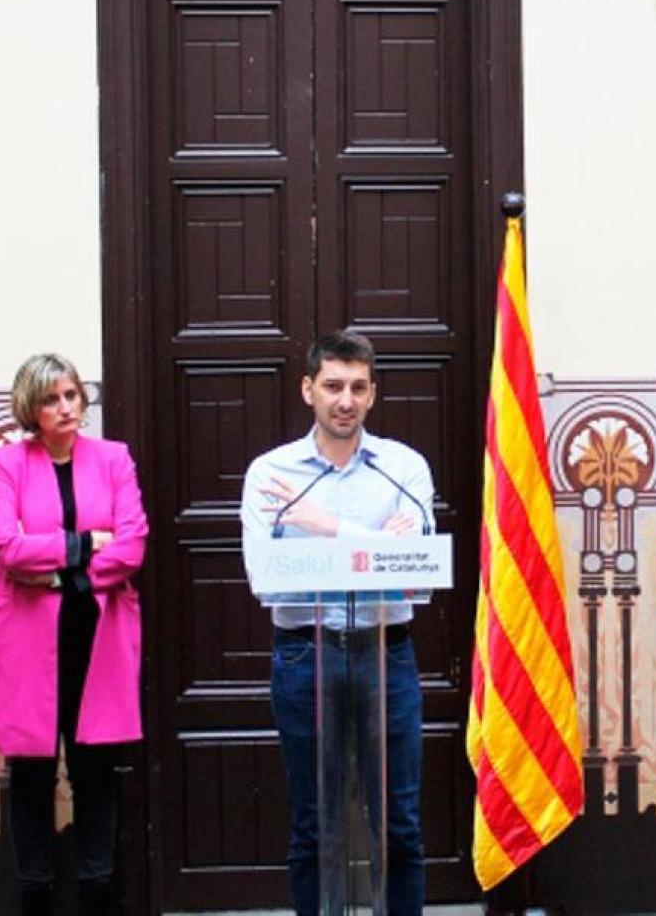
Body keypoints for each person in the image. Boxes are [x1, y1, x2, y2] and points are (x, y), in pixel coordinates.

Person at [240, 329, 434, 916]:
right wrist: (376, 544)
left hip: (387, 653)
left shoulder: (405, 468)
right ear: (308, 390)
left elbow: (416, 574)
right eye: (332, 386)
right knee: (312, 823)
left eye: (356, 387)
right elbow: (266, 580)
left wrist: (325, 528)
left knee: (399, 821)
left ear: (373, 393)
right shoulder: (270, 473)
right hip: (306, 654)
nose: (344, 400)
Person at [0, 353, 148, 916]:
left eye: (71, 395)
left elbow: (133, 545)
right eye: (51, 399)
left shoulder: (114, 459)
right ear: (31, 407)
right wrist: (84, 545)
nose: (66, 407)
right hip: (28, 643)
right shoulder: (5, 465)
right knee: (32, 772)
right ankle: (36, 894)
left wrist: (53, 569)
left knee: (96, 770)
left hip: (98, 637)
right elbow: (7, 547)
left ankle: (98, 892)